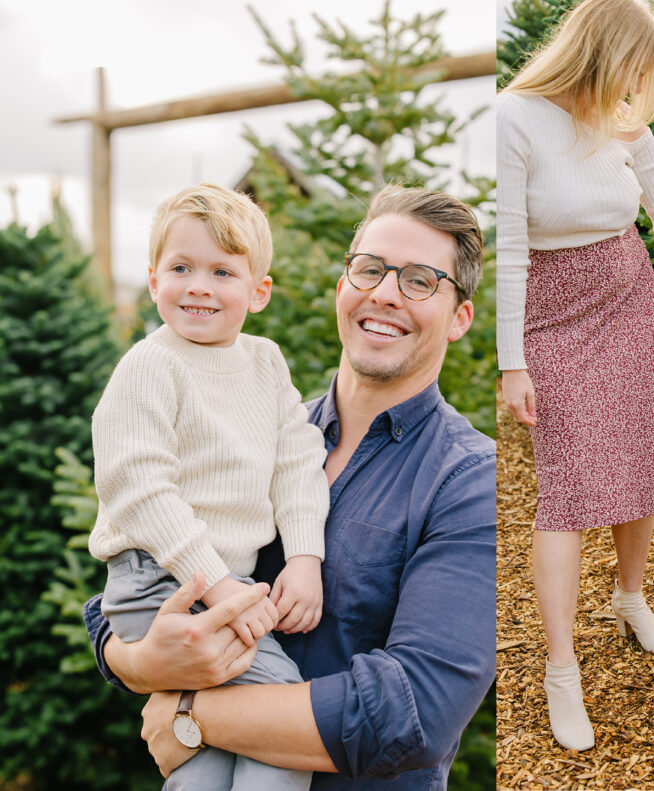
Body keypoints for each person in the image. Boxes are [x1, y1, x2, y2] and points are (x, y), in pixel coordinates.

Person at [83, 185, 497, 789]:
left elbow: (413, 714)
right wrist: (142, 661)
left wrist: (189, 713)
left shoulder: (469, 482)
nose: (384, 293)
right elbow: (120, 592)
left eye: (420, 281)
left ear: (460, 317)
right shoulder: (263, 431)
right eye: (370, 270)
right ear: (342, 289)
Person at [497, 0, 654, 751]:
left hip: (631, 300)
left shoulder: (625, 124)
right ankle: (561, 668)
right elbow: (506, 245)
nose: (640, 93)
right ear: (604, 57)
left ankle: (630, 597)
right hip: (552, 314)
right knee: (565, 490)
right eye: (636, 75)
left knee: (639, 459)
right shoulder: (514, 118)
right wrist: (513, 362)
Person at [89, 183, 329, 790]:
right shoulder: (151, 365)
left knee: (212, 753)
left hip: (225, 584)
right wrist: (218, 585)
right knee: (283, 724)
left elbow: (297, 460)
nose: (198, 284)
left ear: (259, 291)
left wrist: (304, 557)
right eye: (181, 267)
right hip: (159, 582)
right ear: (152, 281)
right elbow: (139, 487)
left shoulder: (265, 361)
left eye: (222, 271)